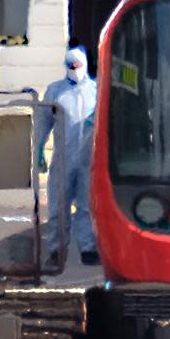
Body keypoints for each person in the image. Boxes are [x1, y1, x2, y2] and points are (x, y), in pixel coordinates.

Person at [36, 42, 99, 267]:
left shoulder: (96, 90)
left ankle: (89, 248)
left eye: (78, 65)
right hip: (63, 158)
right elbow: (42, 123)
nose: (75, 69)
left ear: (85, 65)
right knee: (58, 207)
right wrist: (39, 148)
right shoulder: (55, 91)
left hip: (88, 158)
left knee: (86, 205)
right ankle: (56, 249)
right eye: (71, 66)